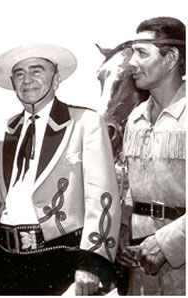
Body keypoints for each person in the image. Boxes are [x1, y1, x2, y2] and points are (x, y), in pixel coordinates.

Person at [0, 43, 121, 295]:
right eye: (20, 73)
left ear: (56, 79)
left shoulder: (85, 123)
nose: (27, 80)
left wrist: (92, 261)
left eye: (37, 70)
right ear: (12, 83)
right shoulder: (6, 130)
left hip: (61, 259)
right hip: (5, 260)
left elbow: (102, 197)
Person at [117, 17, 186, 295]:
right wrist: (122, 227)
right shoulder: (135, 117)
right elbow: (131, 186)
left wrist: (169, 242)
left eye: (142, 53)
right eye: (133, 52)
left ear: (170, 58)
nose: (131, 63)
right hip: (139, 262)